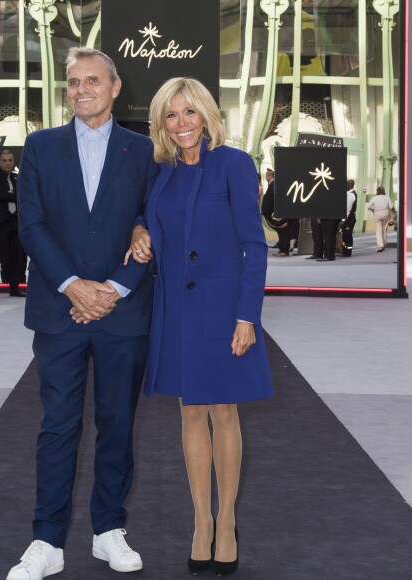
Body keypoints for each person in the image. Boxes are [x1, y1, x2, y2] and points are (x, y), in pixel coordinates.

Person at [6, 47, 158, 580]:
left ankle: (108, 530)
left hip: (123, 311)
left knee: (117, 426)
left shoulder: (144, 151)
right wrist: (73, 287)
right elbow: (31, 225)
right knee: (58, 426)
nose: (81, 90)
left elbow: (152, 224)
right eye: (73, 82)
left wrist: (113, 289)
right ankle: (46, 540)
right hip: (58, 310)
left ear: (116, 87)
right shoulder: (41, 146)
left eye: (92, 80)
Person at [127, 77, 273, 576]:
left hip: (223, 307)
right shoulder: (161, 172)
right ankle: (201, 523)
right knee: (190, 413)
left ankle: (227, 521)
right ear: (160, 123)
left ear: (207, 115)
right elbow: (146, 219)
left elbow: (254, 245)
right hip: (174, 309)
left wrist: (247, 315)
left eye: (189, 112)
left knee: (223, 413)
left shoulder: (234, 164)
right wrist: (139, 229)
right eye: (171, 115)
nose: (181, 123)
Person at [0, 149, 25, 298]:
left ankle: (14, 287)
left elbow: (22, 195)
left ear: (13, 162)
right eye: (5, 160)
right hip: (0, 221)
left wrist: (12, 196)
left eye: (10, 160)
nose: (7, 163)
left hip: (15, 221)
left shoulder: (17, 178)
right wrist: (15, 196)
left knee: (16, 255)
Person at [260, 168, 299, 255]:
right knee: (282, 232)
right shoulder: (274, 184)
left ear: (269, 176)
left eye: (266, 175)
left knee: (283, 232)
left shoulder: (274, 185)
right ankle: (283, 250)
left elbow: (272, 200)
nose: (265, 177)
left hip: (277, 214)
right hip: (277, 214)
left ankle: (284, 251)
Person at [366, 185, 393, 252]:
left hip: (377, 213)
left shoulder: (374, 198)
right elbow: (391, 206)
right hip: (386, 213)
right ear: (384, 191)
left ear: (377, 191)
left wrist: (373, 210)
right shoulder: (387, 197)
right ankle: (383, 244)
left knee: (378, 230)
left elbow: (369, 207)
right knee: (384, 230)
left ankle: (380, 246)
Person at [340, 179, 357, 257]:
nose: (346, 186)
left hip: (349, 219)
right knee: (345, 235)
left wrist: (343, 220)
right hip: (349, 218)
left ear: (351, 185)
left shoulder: (351, 195)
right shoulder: (349, 194)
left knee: (348, 236)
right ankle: (345, 250)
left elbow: (348, 209)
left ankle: (347, 252)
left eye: (347, 184)